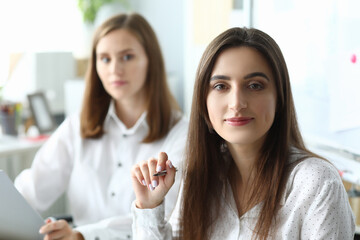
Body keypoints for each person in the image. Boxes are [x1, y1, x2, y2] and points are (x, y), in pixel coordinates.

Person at [131, 27, 355, 239]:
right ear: (203, 102)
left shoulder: (317, 183)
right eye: (221, 86)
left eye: (255, 85)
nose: (236, 103)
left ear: (279, 98)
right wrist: (149, 206)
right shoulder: (199, 174)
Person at [14, 13, 188, 240]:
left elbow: (164, 219)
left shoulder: (181, 133)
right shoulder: (78, 125)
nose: (115, 69)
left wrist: (82, 235)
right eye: (105, 59)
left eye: (127, 57)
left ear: (150, 60)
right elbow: (31, 191)